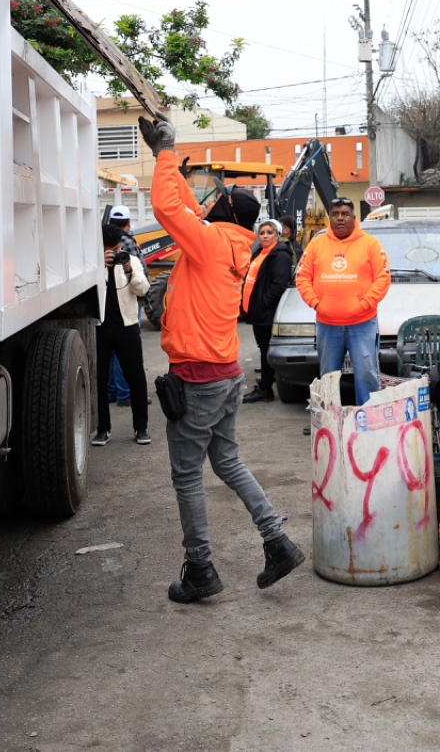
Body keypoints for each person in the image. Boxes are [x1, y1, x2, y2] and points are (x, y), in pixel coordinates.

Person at [139, 115, 305, 603]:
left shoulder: (207, 242)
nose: (205, 205)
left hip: (198, 377)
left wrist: (166, 152)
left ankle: (200, 570)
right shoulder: (234, 243)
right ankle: (276, 540)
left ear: (223, 213)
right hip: (226, 372)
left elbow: (170, 207)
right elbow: (190, 207)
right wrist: (167, 162)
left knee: (187, 475)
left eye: (213, 203)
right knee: (227, 461)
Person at [295, 198, 391, 405]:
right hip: (327, 325)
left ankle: (367, 416)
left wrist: (363, 305)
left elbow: (383, 278)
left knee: (367, 374)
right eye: (336, 214)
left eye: (345, 214)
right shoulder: (316, 244)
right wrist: (316, 303)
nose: (340, 218)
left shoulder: (371, 244)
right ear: (330, 218)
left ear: (354, 218)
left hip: (363, 324)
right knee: (328, 376)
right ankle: (329, 417)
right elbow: (302, 277)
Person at [94, 223, 151, 446]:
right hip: (99, 328)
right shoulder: (91, 264)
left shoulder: (130, 260)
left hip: (127, 327)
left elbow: (143, 290)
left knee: (136, 378)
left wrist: (127, 269)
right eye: (111, 249)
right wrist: (100, 266)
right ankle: (103, 429)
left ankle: (141, 428)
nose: (115, 253)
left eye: (117, 248)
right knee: (99, 380)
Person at [242, 220, 296, 403]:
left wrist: (263, 303)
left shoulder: (279, 255)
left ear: (277, 235)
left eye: (269, 232)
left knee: (267, 350)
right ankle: (265, 385)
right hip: (259, 311)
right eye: (262, 232)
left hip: (267, 312)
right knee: (264, 349)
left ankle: (265, 389)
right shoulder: (262, 253)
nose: (265, 235)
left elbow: (278, 284)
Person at [105, 206, 142, 407]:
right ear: (128, 223)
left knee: (110, 353)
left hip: (108, 305)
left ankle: (111, 391)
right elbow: (142, 281)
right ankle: (124, 393)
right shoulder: (129, 244)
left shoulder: (103, 245)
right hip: (127, 301)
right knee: (124, 354)